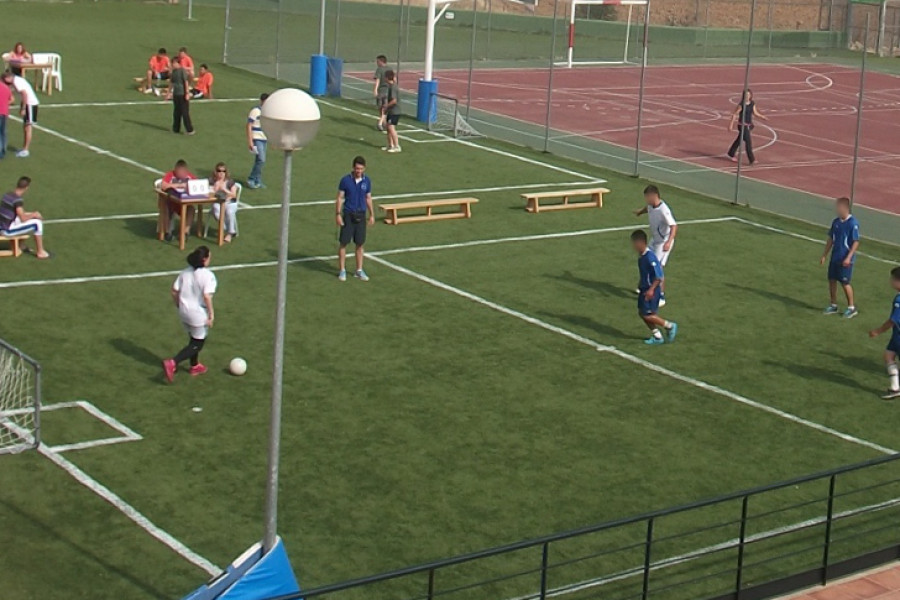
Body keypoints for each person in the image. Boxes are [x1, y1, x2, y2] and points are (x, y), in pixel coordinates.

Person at [162, 246, 217, 382]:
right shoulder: (208, 276)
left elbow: (174, 291)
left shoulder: (184, 273)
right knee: (197, 344)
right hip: (197, 314)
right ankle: (173, 362)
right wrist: (211, 315)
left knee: (193, 337)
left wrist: (178, 305)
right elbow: (206, 296)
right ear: (204, 259)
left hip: (183, 311)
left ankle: (195, 365)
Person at [634, 184, 677, 306]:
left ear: (655, 196)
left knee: (656, 268)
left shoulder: (664, 210)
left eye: (648, 197)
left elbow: (674, 226)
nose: (646, 200)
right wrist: (639, 212)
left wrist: (668, 242)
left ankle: (661, 296)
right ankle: (642, 286)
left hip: (663, 243)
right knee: (644, 259)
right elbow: (647, 208)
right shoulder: (651, 206)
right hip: (655, 240)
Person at [632, 229, 677, 345]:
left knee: (647, 315)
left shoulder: (650, 257)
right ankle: (657, 336)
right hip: (644, 289)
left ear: (642, 242)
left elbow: (659, 276)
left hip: (651, 290)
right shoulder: (641, 256)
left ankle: (670, 326)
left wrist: (651, 290)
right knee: (642, 313)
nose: (634, 246)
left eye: (635, 243)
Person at [335, 156, 375, 282]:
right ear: (353, 168)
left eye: (361, 169)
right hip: (348, 214)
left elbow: (368, 198)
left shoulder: (366, 181)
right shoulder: (345, 181)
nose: (359, 171)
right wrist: (337, 214)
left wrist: (372, 214)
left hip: (361, 214)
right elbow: (340, 198)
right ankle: (342, 270)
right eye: (357, 168)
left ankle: (359, 269)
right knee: (344, 243)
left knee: (360, 243)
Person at [820, 196, 860, 319]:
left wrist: (848, 258)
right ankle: (833, 304)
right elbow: (831, 239)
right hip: (835, 257)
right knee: (832, 280)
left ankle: (851, 308)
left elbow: (856, 242)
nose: (837, 210)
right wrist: (824, 255)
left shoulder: (852, 223)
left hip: (845, 260)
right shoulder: (836, 222)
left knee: (845, 282)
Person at [868, 267, 900, 399]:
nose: (890, 281)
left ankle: (895, 388)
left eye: (892, 279)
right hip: (896, 335)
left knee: (889, 356)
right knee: (888, 356)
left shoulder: (899, 300)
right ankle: (895, 387)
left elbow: (893, 320)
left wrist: (877, 331)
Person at [0, 176, 50, 259]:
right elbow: (23, 218)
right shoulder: (18, 200)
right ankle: (40, 252)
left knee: (30, 218)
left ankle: (21, 245)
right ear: (26, 188)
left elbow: (18, 214)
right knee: (37, 223)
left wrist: (32, 214)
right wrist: (34, 215)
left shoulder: (7, 195)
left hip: (2, 225)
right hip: (6, 230)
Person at [2, 70, 38, 158]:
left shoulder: (17, 82)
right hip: (28, 103)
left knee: (27, 127)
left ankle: (26, 150)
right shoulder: (17, 80)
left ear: (8, 78)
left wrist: (23, 108)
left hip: (30, 104)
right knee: (25, 127)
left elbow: (25, 94)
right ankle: (24, 149)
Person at [727, 89, 768, 165]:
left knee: (739, 140)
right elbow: (734, 114)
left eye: (749, 95)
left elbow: (755, 113)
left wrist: (762, 116)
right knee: (748, 142)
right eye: (746, 95)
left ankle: (731, 153)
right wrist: (731, 125)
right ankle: (752, 159)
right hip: (742, 126)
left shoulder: (752, 103)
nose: (747, 96)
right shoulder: (741, 105)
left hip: (749, 125)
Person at [161, 159, 198, 240]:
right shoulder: (170, 175)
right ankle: (167, 233)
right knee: (165, 207)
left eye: (182, 172)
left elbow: (197, 186)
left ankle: (185, 233)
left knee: (191, 209)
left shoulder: (190, 177)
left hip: (184, 203)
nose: (180, 174)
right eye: (178, 171)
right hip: (171, 203)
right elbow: (163, 185)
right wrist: (178, 185)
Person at [209, 162, 238, 242]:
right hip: (218, 203)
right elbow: (208, 193)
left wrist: (224, 189)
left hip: (230, 202)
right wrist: (215, 188)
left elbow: (234, 195)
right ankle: (224, 227)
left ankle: (230, 233)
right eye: (219, 171)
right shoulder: (212, 181)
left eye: (223, 171)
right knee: (215, 208)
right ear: (215, 172)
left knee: (229, 211)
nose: (221, 173)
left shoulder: (230, 182)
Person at [166, 57, 194, 135]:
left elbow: (185, 82)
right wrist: (168, 93)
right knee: (176, 112)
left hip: (183, 94)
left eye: (173, 63)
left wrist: (187, 93)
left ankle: (190, 130)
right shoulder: (174, 72)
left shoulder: (182, 71)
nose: (172, 65)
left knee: (185, 113)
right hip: (176, 94)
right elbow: (171, 83)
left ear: (177, 63)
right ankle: (176, 129)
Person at [246, 93, 268, 189]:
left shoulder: (268, 112)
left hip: (264, 138)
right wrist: (250, 140)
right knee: (261, 159)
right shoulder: (255, 111)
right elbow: (249, 125)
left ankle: (257, 180)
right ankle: (251, 178)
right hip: (257, 138)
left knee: (259, 160)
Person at [382, 70, 401, 153]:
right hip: (391, 111)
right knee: (388, 128)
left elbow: (394, 100)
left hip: (395, 111)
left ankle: (397, 146)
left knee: (391, 127)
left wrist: (386, 106)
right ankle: (390, 145)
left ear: (386, 77)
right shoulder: (391, 86)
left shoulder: (393, 87)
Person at [373, 55, 389, 131]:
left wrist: (375, 89)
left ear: (381, 61)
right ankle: (384, 123)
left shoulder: (379, 70)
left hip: (382, 91)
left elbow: (378, 80)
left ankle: (380, 123)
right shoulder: (389, 69)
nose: (377, 63)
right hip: (387, 91)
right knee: (382, 108)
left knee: (383, 108)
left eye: (378, 61)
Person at [0, 74, 10, 159]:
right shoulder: (6, 88)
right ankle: (3, 150)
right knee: (3, 132)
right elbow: (12, 99)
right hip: (5, 113)